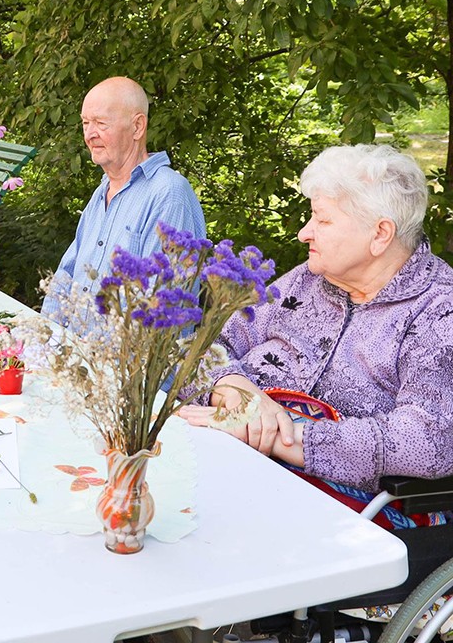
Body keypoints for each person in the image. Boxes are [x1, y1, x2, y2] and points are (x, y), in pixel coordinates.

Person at [178, 144, 453, 524]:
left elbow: (427, 441)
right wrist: (234, 387)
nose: (304, 233)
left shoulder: (439, 310)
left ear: (380, 234)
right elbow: (204, 347)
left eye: (322, 221)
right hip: (226, 459)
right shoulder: (306, 280)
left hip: (327, 510)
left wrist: (279, 434)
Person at [40, 76, 205, 327]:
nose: (89, 134)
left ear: (137, 126)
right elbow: (66, 276)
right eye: (86, 123)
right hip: (74, 357)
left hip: (124, 364)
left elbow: (160, 310)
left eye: (101, 123)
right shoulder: (102, 192)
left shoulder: (169, 194)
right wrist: (44, 338)